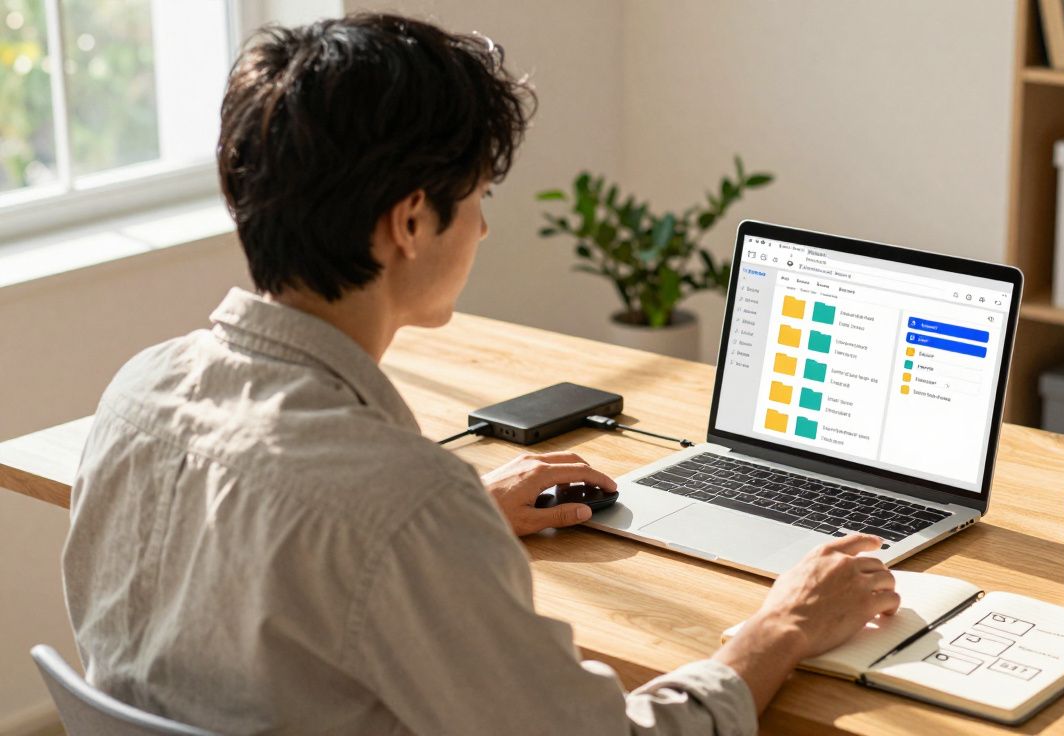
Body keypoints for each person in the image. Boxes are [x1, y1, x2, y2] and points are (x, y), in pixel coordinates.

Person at [62, 13, 900, 734]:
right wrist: (778, 629)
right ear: (411, 221)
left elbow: (278, 593)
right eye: (477, 198)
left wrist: (456, 534)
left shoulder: (137, 393)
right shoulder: (402, 504)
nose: (485, 231)